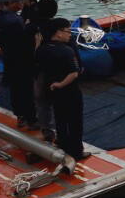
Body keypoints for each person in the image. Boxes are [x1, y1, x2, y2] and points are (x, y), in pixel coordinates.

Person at [35, 18, 89, 161]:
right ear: (59, 33)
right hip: (69, 91)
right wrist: (61, 83)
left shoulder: (42, 49)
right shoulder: (67, 51)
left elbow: (38, 61)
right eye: (68, 32)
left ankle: (63, 145)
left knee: (60, 120)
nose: (69, 35)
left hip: (54, 93)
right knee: (75, 123)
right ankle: (76, 150)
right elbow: (74, 73)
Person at [0, 0, 37, 128]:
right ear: (13, 2)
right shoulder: (15, 20)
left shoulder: (0, 17)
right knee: (27, 90)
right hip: (21, 59)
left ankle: (20, 116)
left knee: (15, 89)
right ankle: (31, 119)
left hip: (8, 58)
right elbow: (24, 40)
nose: (22, 2)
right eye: (20, 1)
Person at [31, 0, 59, 142]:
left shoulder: (32, 28)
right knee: (59, 101)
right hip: (58, 70)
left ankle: (47, 132)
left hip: (40, 71)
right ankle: (61, 131)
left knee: (42, 102)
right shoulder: (59, 27)